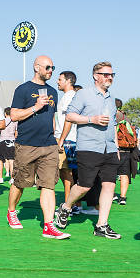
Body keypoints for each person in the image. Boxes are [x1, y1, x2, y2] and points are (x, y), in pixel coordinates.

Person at [55, 61, 121, 239]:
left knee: (109, 186)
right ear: (95, 76)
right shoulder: (83, 94)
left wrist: (116, 147)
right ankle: (66, 207)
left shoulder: (111, 99)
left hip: (109, 148)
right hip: (89, 147)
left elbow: (113, 124)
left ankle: (101, 225)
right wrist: (92, 119)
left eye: (112, 75)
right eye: (106, 74)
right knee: (84, 186)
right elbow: (70, 115)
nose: (109, 78)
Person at [6, 56, 67, 238]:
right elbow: (14, 116)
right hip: (26, 145)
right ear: (36, 67)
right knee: (20, 183)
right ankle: (11, 211)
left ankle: (48, 226)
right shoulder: (23, 89)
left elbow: (52, 119)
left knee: (49, 185)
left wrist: (57, 139)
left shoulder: (53, 92)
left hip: (49, 145)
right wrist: (35, 107)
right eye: (48, 67)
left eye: (53, 67)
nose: (51, 70)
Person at [56, 70, 78, 209]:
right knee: (64, 173)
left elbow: (68, 120)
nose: (57, 82)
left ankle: (69, 205)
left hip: (67, 140)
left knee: (67, 173)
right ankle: (71, 203)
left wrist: (62, 139)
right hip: (64, 138)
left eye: (60, 79)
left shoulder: (70, 97)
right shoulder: (66, 96)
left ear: (68, 81)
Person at [115, 110, 137, 205]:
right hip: (126, 150)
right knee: (124, 174)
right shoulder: (126, 118)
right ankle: (123, 197)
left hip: (114, 150)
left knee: (111, 173)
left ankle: (111, 194)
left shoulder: (110, 115)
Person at [0, 107, 17, 184]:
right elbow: (16, 133)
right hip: (11, 141)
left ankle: (0, 177)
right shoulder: (14, 121)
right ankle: (12, 178)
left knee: (0, 159)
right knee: (11, 160)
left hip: (2, 141)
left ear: (5, 113)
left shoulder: (3, 121)